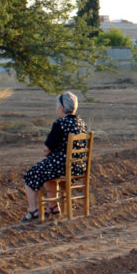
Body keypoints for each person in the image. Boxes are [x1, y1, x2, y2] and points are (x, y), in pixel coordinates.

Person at [21, 92, 88, 222]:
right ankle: (53, 207)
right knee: (47, 173)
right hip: (78, 166)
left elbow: (47, 150)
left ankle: (33, 210)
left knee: (31, 174)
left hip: (63, 166)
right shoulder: (81, 123)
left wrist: (50, 153)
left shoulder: (60, 124)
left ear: (61, 108)